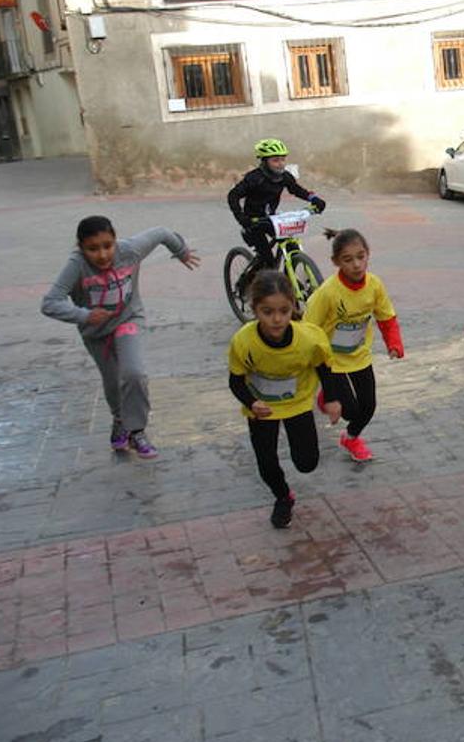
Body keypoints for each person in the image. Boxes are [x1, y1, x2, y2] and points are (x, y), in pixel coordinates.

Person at [41, 215, 200, 459]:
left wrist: (181, 251)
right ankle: (119, 419)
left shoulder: (130, 250)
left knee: (134, 373)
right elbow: (50, 303)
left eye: (107, 246)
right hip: (96, 332)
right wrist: (83, 315)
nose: (103, 255)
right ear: (81, 248)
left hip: (128, 320)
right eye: (93, 249)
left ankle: (137, 431)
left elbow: (161, 232)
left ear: (115, 241)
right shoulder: (77, 265)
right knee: (113, 380)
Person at [228, 270, 341, 528]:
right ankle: (283, 496)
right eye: (267, 312)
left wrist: (331, 399)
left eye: (284, 311)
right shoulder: (243, 342)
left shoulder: (309, 338)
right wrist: (251, 402)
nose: (277, 320)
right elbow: (235, 381)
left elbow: (324, 367)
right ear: (255, 309)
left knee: (307, 463)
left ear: (293, 308)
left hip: (297, 402)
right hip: (262, 408)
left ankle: (295, 470)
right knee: (266, 464)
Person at [302, 228, 404, 463]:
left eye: (361, 256)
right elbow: (308, 329)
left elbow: (386, 317)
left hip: (359, 355)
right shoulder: (327, 293)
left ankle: (350, 437)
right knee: (350, 410)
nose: (357, 265)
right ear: (336, 262)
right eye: (348, 260)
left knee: (368, 407)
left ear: (368, 254)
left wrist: (394, 343)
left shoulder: (375, 285)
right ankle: (327, 396)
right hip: (331, 360)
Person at [227, 139, 327, 269]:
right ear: (264, 161)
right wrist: (241, 218)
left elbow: (296, 190)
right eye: (275, 160)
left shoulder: (285, 176)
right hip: (253, 223)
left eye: (282, 159)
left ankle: (290, 279)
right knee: (267, 260)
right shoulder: (254, 178)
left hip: (271, 220)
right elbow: (233, 196)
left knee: (292, 246)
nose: (280, 164)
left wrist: (314, 199)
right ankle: (255, 282)